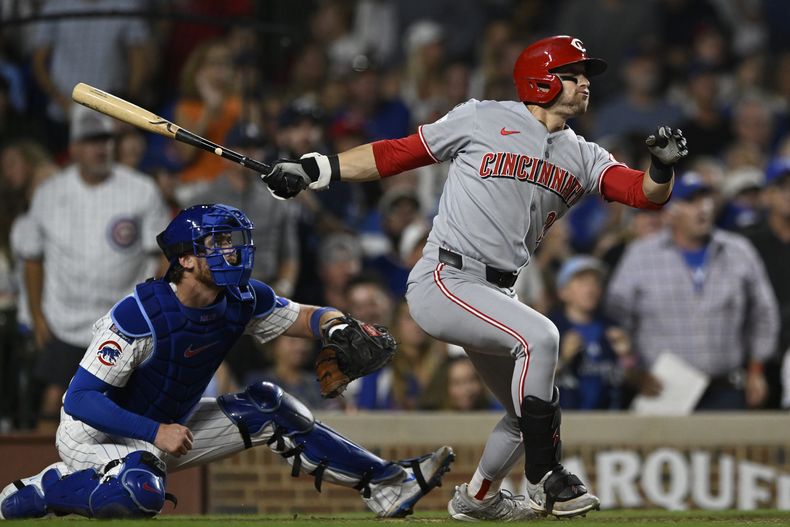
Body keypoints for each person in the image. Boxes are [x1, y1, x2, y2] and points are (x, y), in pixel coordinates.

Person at [262, 35, 688, 520]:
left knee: (526, 411)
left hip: (497, 292)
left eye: (584, 74)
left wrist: (662, 167)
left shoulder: (584, 155)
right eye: (574, 73)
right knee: (542, 337)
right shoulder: (482, 116)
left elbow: (645, 195)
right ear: (542, 79)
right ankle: (545, 478)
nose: (585, 82)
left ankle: (479, 499)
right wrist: (317, 169)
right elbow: (396, 154)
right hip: (446, 277)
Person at [0, 204, 454, 520]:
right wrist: (154, 433)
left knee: (270, 407)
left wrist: (337, 325)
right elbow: (79, 400)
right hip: (96, 435)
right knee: (140, 493)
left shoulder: (241, 298)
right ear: (185, 259)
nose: (233, 251)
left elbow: (305, 317)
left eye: (235, 242)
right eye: (218, 243)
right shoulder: (139, 315)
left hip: (168, 428)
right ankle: (46, 488)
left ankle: (387, 485)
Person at [15, 106, 170, 431]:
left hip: (121, 321)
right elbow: (32, 256)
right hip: (65, 320)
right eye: (91, 141)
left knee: (122, 405)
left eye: (105, 140)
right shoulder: (50, 193)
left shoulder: (141, 189)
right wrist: (38, 316)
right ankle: (45, 475)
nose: (100, 148)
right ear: (74, 149)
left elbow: (164, 255)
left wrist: (152, 310)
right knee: (53, 403)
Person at [605, 172, 779, 410]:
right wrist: (632, 370)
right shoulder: (641, 255)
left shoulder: (739, 251)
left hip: (726, 389)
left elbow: (763, 313)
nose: (702, 208)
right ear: (670, 212)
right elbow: (616, 320)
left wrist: (756, 368)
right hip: (664, 391)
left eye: (705, 200)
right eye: (691, 202)